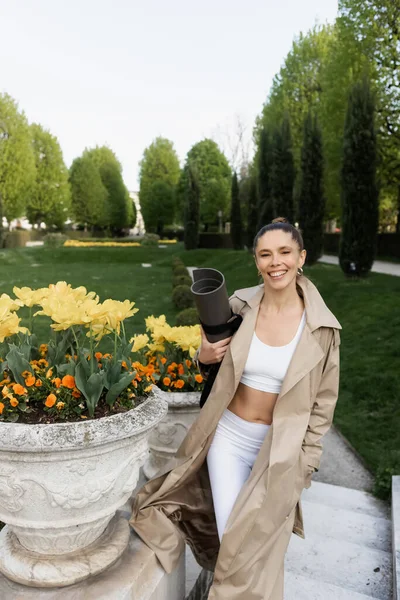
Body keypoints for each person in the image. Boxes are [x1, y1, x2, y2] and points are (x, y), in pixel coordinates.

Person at [130, 217, 341, 600]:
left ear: (301, 257)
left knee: (258, 549)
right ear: (256, 262)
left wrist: (305, 464)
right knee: (234, 542)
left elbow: (324, 403)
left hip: (278, 453)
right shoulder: (240, 305)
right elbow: (211, 362)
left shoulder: (323, 329)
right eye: (265, 254)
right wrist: (202, 354)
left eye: (284, 252)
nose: (275, 262)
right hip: (227, 438)